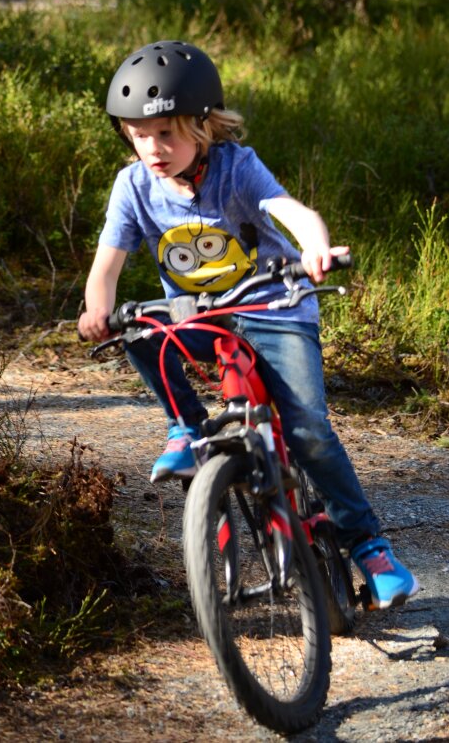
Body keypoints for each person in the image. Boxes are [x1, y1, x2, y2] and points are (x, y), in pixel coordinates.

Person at [78, 39, 419, 611]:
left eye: (167, 133)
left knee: (307, 430)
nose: (153, 148)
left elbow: (291, 211)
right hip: (201, 319)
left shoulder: (237, 168)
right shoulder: (133, 186)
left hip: (274, 307)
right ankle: (186, 428)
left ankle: (371, 548)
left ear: (204, 126)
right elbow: (105, 268)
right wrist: (97, 312)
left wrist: (314, 248)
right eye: (138, 135)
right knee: (137, 331)